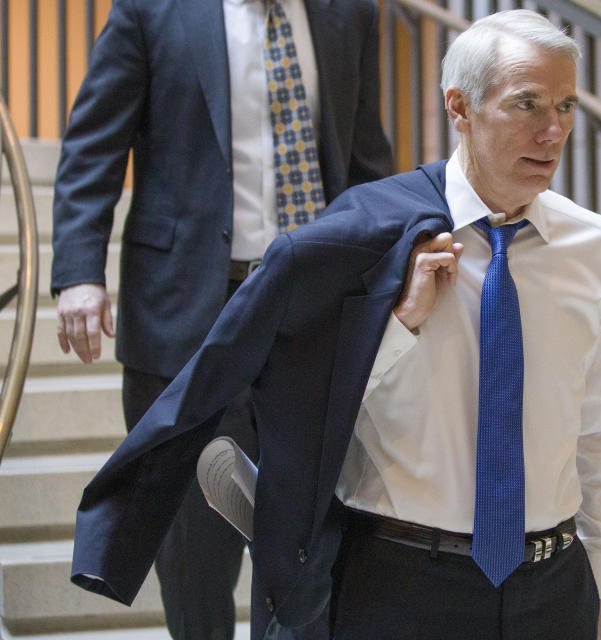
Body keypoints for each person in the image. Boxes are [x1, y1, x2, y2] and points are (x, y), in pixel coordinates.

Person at [69, 9, 601, 640]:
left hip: (552, 586)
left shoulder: (589, 242)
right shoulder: (385, 242)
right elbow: (316, 410)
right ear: (460, 108)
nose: (553, 131)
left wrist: (595, 589)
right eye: (527, 104)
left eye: (568, 106)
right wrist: (399, 317)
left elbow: (591, 435)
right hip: (402, 572)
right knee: (223, 554)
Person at [51, 1, 392, 638]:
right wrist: (79, 273)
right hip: (189, 317)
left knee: (306, 548)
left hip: (314, 315)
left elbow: (366, 161)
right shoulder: (154, 11)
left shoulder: (351, 13)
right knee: (195, 550)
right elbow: (94, 145)